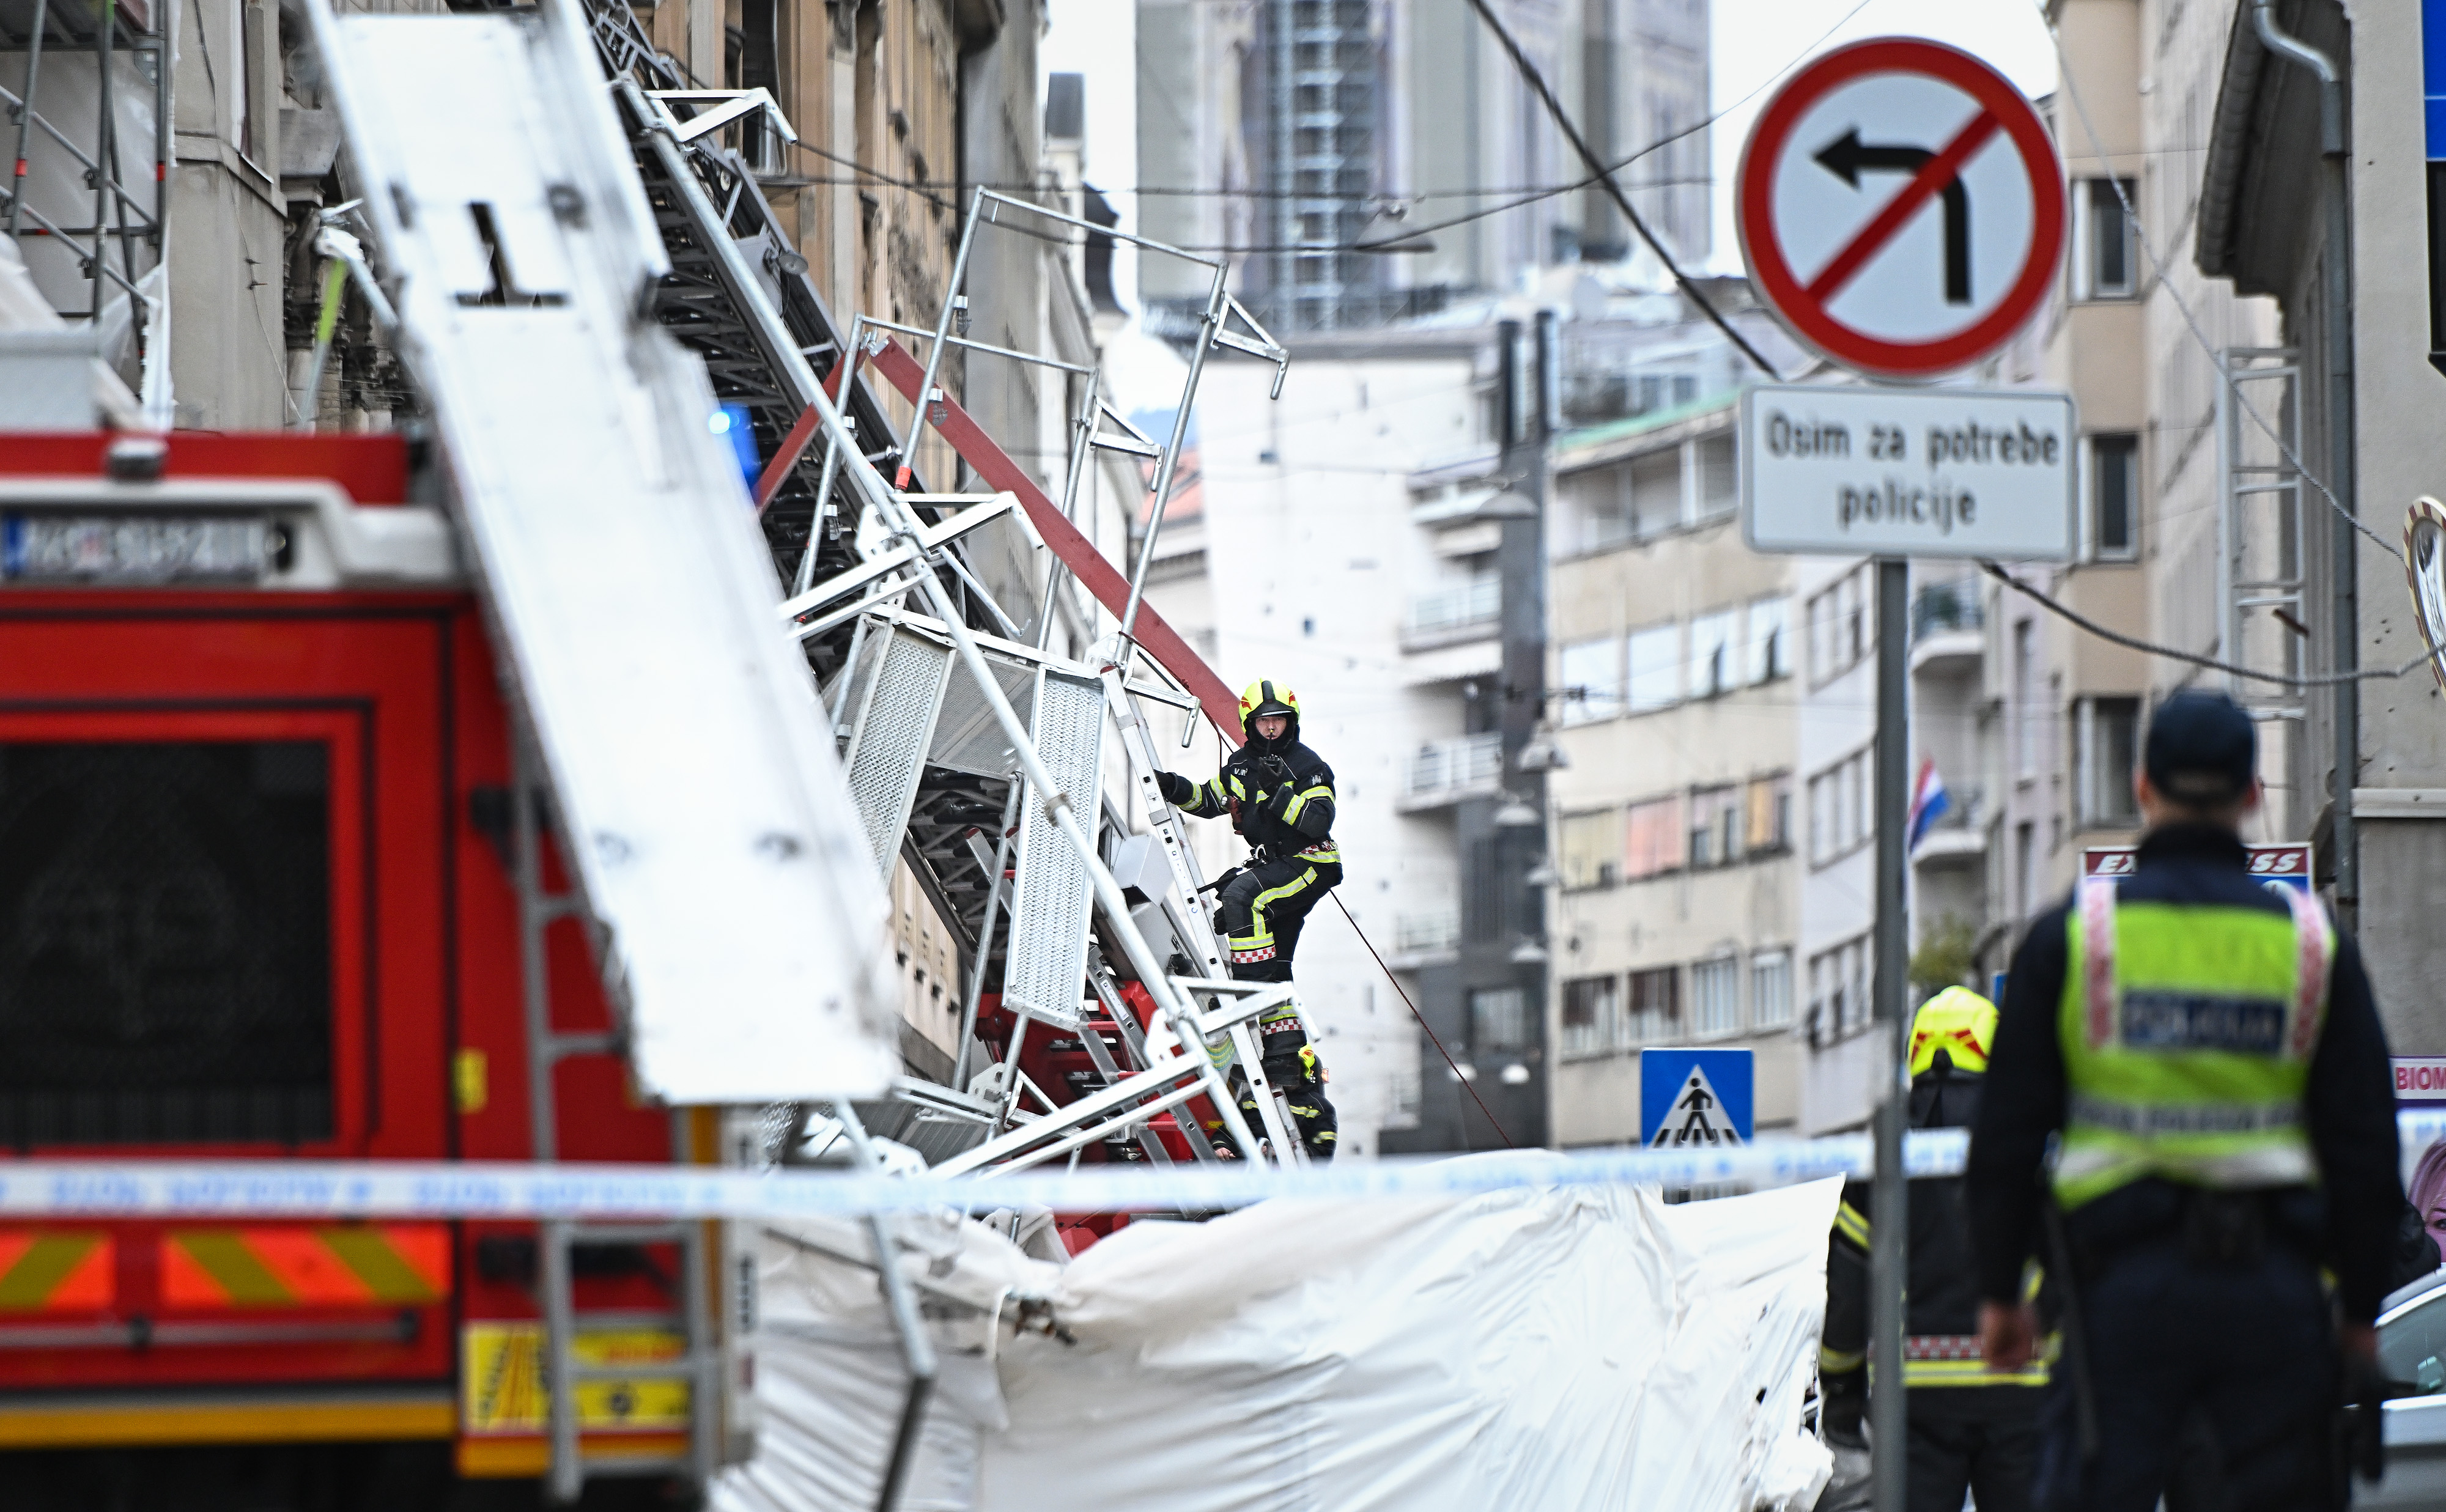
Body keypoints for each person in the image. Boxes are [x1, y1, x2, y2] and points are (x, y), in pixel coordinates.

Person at [1967, 688, 2402, 1511]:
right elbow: (2364, 1145)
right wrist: (2358, 1312)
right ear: (2251, 794)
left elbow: (2007, 1133)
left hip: (2116, 1302)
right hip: (2273, 1299)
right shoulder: (2312, 945)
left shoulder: (2075, 938)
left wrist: (1999, 1292)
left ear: (2142, 787)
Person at [1821, 986, 2049, 1512]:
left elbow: (1850, 1286)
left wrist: (1841, 1390)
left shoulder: (1885, 1148)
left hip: (1914, 1399)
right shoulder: (2028, 1138)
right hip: (2018, 1386)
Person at [1156, 679, 1339, 1160]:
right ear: (1250, 724)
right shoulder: (1239, 766)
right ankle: (1283, 1054)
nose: (1272, 726)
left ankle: (1248, 1000)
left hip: (1309, 862)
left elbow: (1319, 822)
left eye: (1279, 718)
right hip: (1272, 863)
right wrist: (1169, 786)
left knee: (1244, 899)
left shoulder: (1309, 764)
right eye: (1264, 720)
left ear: (1290, 721)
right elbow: (1209, 799)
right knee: (1268, 955)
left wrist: (1282, 792)